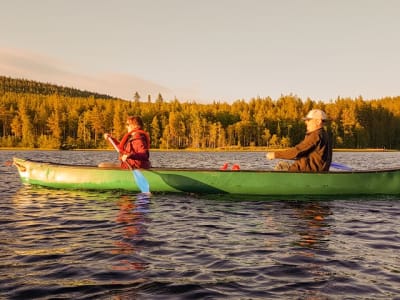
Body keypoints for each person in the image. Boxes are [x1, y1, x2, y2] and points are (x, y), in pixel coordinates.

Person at [266, 109, 332, 172]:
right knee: (282, 164)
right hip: (313, 171)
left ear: (318, 121)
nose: (306, 122)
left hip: (305, 172)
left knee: (280, 166)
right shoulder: (324, 134)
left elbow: (297, 151)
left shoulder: (315, 135)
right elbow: (303, 154)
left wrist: (275, 155)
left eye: (309, 120)